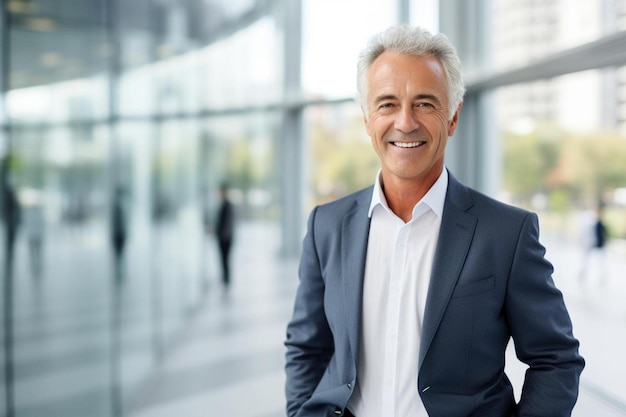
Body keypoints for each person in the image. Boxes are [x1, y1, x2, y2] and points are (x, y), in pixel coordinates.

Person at [285, 25, 584, 417]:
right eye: (387, 104)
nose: (405, 122)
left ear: (454, 117)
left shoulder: (505, 234)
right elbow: (307, 347)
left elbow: (556, 358)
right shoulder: (327, 225)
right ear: (366, 119)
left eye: (425, 103)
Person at [215, 183, 235, 287]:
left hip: (225, 238)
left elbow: (227, 224)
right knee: (223, 259)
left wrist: (220, 234)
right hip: (224, 237)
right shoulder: (224, 205)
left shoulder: (227, 206)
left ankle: (226, 280)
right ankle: (225, 279)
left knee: (225, 259)